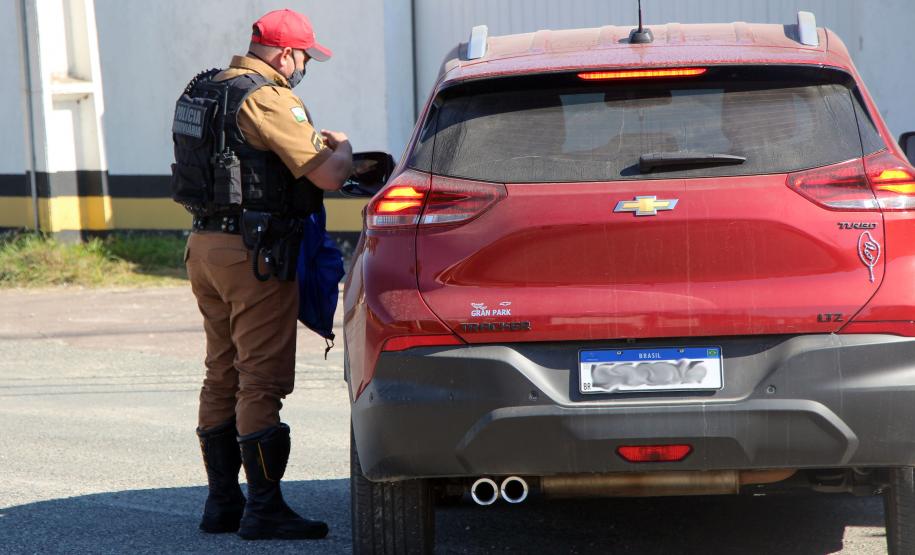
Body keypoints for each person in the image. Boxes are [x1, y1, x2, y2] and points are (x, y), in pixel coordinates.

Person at [170, 8, 353, 541]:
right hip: (254, 255)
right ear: (283, 53)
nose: (302, 67)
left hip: (204, 246)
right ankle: (264, 508)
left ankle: (223, 503)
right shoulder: (266, 95)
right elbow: (328, 174)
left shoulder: (202, 90)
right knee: (261, 380)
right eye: (303, 57)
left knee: (220, 372)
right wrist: (340, 148)